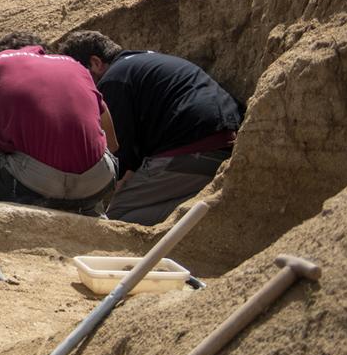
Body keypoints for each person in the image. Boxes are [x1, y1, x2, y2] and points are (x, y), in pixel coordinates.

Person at [56, 31, 242, 224]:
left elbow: (118, 153)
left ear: (95, 63)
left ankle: (201, 217)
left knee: (115, 220)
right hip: (224, 144)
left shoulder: (114, 79)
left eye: (80, 77)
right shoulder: (144, 61)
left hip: (188, 149)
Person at [0, 32, 120, 214]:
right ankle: (88, 212)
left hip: (34, 186)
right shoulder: (75, 67)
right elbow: (112, 143)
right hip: (100, 180)